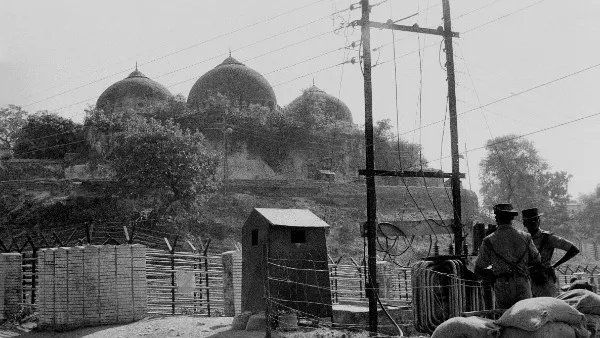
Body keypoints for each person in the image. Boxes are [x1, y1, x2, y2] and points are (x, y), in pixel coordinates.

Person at [475, 203, 541, 309]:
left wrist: (493, 274)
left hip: (503, 285)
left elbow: (479, 268)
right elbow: (537, 260)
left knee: (504, 317)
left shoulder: (489, 240)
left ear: (496, 218)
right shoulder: (526, 237)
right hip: (523, 283)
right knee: (526, 316)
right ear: (512, 218)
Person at [522, 207, 580, 297]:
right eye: (530, 220)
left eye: (535, 219)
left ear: (539, 221)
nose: (533, 222)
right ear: (524, 223)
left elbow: (574, 249)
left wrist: (554, 266)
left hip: (544, 281)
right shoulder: (522, 238)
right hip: (527, 281)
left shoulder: (548, 238)